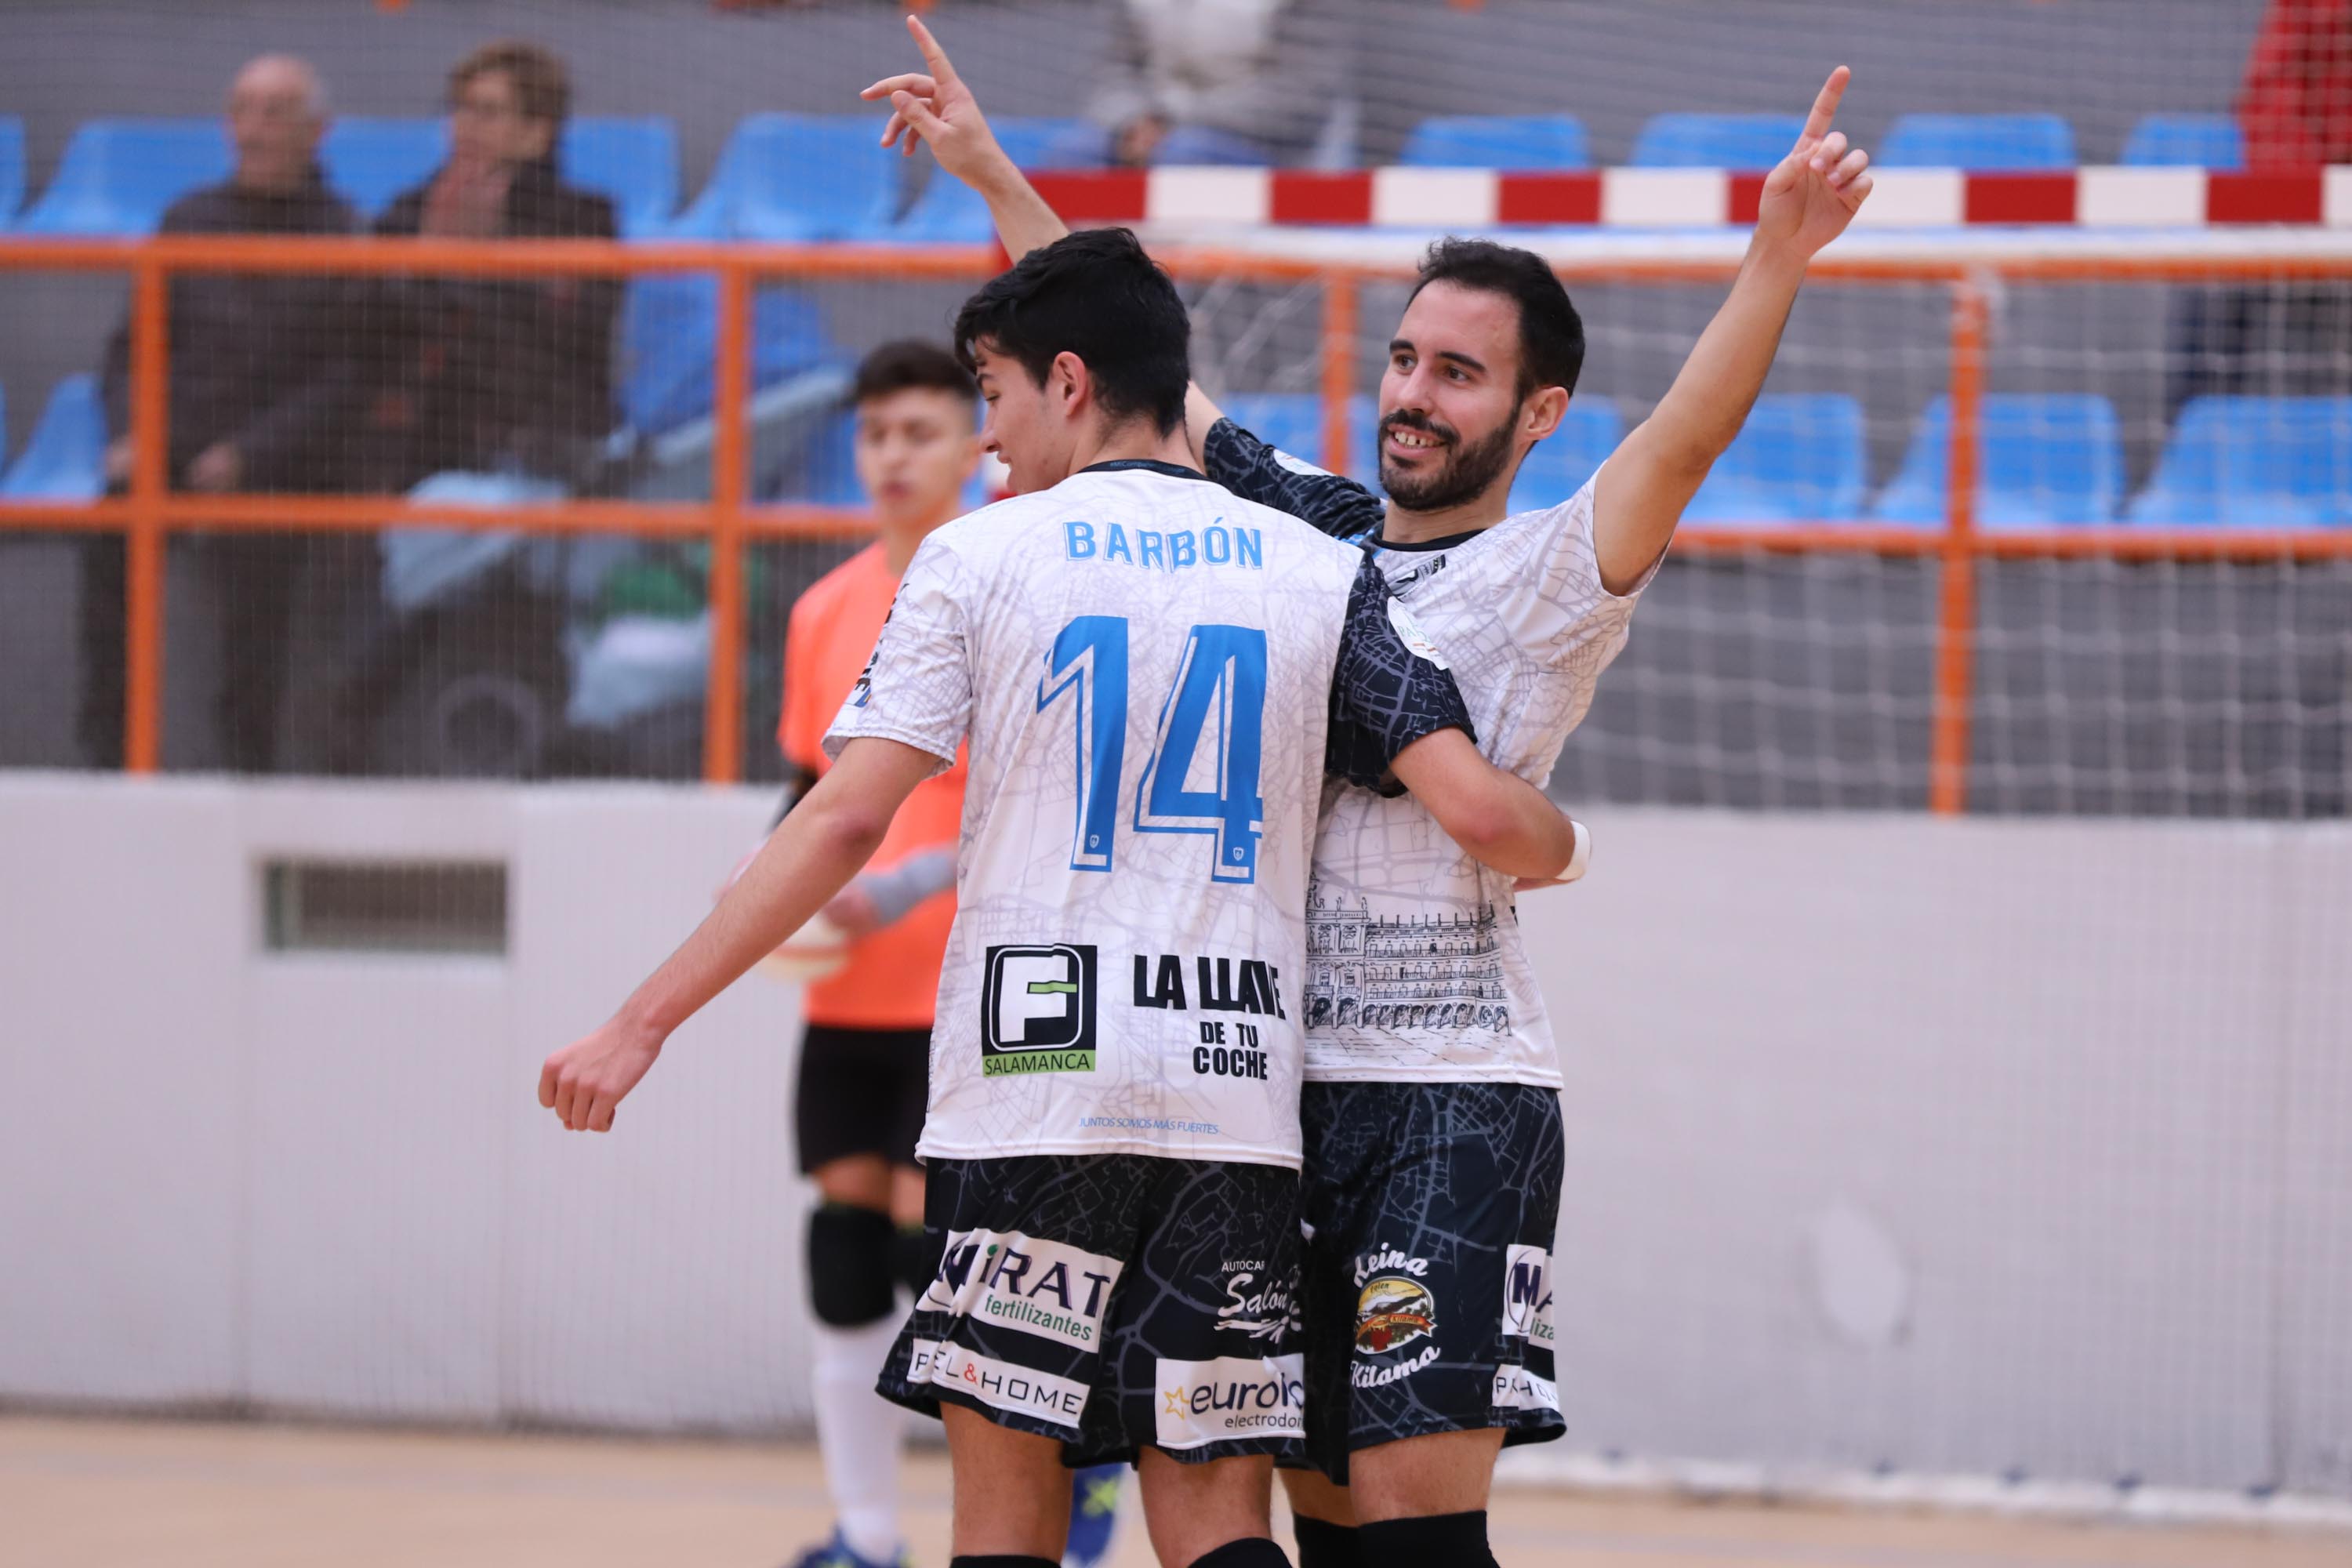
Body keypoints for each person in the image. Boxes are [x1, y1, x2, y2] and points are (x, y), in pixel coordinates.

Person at [866, 20, 1873, 1564]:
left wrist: (1781, 253)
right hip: (1263, 1097)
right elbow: (1135, 388)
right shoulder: (1305, 538)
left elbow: (1688, 436)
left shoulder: (1550, 576)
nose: (1414, 393)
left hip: (1447, 1100)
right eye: (1404, 358)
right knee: (1317, 1526)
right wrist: (991, 167)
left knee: (1407, 1527)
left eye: (1458, 375)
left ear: (1536, 416)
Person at [538, 225, 1587, 1568]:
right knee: (1212, 1519)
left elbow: (844, 813)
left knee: (1009, 1509)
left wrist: (642, 1021)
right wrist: (1561, 846)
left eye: (994, 393)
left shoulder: (981, 557)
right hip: (1234, 1103)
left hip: (1037, 1080)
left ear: (1071, 383)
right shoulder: (1320, 571)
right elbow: (1480, 807)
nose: (987, 436)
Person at [770, 340, 1124, 1568]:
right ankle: (868, 1533)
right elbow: (811, 794)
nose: (892, 457)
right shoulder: (823, 609)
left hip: (992, 999)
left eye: (920, 431)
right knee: (842, 1251)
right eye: (873, 435)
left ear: (970, 445)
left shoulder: (1015, 584)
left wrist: (904, 885)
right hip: (855, 998)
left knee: (975, 1272)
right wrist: (764, 896)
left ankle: (1084, 1465)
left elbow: (1055, 810)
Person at [82, 53, 357, 771]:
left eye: (274, 112)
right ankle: (104, 757)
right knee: (110, 530)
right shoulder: (189, 218)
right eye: (242, 110)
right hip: (171, 444)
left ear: (316, 131)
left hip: (279, 462)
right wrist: (129, 434)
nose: (253, 130)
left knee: (263, 559)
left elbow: (344, 378)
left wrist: (250, 453)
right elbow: (130, 350)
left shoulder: (344, 234)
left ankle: (248, 767)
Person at [353, 39, 619, 492]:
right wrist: (433, 255)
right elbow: (362, 325)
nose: (466, 127)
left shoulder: (585, 219)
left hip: (545, 445)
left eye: (488, 113)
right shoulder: (409, 213)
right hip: (419, 443)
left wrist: (475, 263)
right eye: (460, 110)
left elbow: (567, 337)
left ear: (538, 132)